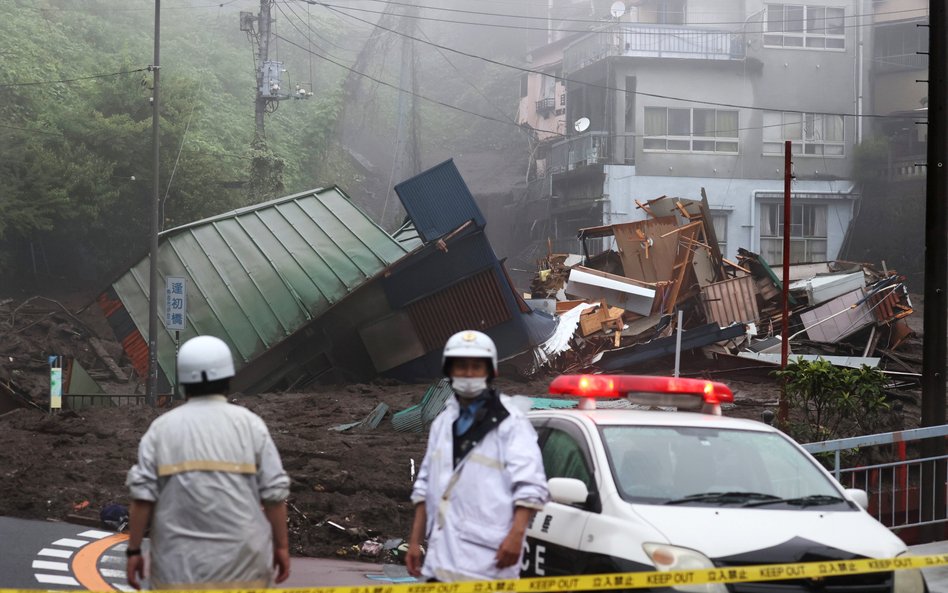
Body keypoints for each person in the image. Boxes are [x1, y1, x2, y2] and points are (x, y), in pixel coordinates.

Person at [125, 335, 291, 589]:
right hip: (245, 568)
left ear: (183, 380)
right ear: (227, 378)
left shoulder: (162, 429)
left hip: (177, 569)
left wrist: (134, 551)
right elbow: (274, 495)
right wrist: (281, 547)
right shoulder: (250, 425)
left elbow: (142, 497)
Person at [406, 330, 549, 582]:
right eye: (461, 367)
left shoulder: (510, 423)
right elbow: (424, 485)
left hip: (487, 565)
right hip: (439, 562)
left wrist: (516, 536)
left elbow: (531, 486)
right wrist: (415, 542)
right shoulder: (443, 422)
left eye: (476, 366)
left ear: (491, 372)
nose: (469, 374)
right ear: (449, 371)